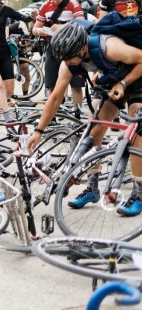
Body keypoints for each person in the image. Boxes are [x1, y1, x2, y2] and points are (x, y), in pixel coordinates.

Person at [26, 22, 142, 216]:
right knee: (94, 130)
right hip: (115, 79)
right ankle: (92, 188)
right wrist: (39, 131)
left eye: (70, 58)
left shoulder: (109, 47)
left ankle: (139, 193)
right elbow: (55, 98)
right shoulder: (68, 60)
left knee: (136, 128)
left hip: (137, 76)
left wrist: (123, 83)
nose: (67, 62)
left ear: (82, 48)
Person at [32, 0, 85, 117]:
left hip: (72, 47)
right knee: (51, 83)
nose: (55, 0)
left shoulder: (73, 3)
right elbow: (35, 29)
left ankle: (77, 113)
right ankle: (53, 115)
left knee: (76, 83)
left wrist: (62, 27)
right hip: (53, 46)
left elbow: (82, 23)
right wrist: (39, 31)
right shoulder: (45, 6)